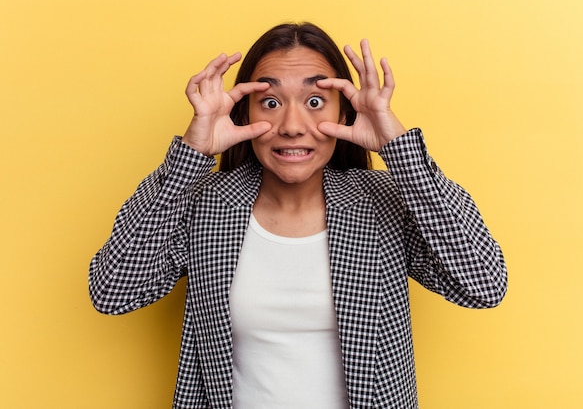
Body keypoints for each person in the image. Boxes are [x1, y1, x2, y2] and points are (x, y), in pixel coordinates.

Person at [89, 22, 507, 409]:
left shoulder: (383, 202)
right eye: (269, 102)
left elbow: (484, 285)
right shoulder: (204, 203)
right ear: (244, 115)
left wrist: (399, 149)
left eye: (314, 101)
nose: (291, 125)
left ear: (344, 113)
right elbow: (113, 292)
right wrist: (191, 156)